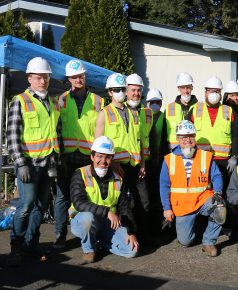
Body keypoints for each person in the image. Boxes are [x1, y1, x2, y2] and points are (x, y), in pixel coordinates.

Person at [7, 57, 62, 265]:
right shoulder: (20, 101)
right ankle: (16, 246)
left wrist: (56, 158)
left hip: (48, 163)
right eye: (39, 77)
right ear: (29, 78)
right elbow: (12, 135)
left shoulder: (54, 103)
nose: (43, 81)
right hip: (28, 163)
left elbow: (56, 133)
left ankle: (31, 243)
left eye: (46, 77)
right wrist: (20, 163)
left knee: (40, 204)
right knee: (26, 204)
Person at [53, 59, 104, 249]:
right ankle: (59, 235)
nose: (78, 79)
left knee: (89, 195)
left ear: (85, 76)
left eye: (80, 76)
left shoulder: (98, 101)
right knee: (62, 196)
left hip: (87, 157)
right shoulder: (61, 100)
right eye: (74, 77)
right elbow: (56, 129)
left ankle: (92, 235)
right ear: (69, 79)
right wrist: (57, 155)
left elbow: (101, 130)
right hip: (66, 156)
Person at [95, 73, 151, 244]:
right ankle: (126, 235)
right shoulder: (104, 114)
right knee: (124, 204)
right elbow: (98, 146)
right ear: (110, 92)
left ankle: (144, 236)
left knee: (144, 202)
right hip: (116, 168)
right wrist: (112, 165)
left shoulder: (134, 113)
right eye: (116, 90)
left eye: (122, 89)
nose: (120, 92)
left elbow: (139, 140)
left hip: (135, 166)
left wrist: (142, 162)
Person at [159, 120, 224, 257]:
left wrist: (218, 192)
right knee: (185, 241)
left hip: (203, 200)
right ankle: (198, 227)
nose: (188, 140)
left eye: (191, 136)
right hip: (182, 206)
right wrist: (166, 208)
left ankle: (208, 242)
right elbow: (164, 185)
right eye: (183, 137)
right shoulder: (169, 159)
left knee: (220, 208)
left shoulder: (205, 156)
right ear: (177, 139)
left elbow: (217, 175)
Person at [70, 136, 139, 264]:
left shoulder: (118, 179)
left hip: (108, 224)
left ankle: (99, 242)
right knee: (87, 219)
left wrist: (131, 231)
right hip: (83, 221)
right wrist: (107, 212)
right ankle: (89, 249)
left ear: (112, 159)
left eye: (108, 157)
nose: (103, 161)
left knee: (131, 250)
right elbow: (79, 203)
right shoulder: (80, 174)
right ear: (92, 156)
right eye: (99, 156)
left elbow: (125, 208)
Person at [187, 76, 238, 187]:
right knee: (204, 191)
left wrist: (234, 157)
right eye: (211, 91)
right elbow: (187, 134)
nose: (214, 94)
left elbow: (237, 135)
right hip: (201, 160)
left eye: (217, 91)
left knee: (223, 191)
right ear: (205, 92)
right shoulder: (195, 109)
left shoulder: (228, 110)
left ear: (221, 94)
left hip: (224, 162)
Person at [144, 89, 168, 232]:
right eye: (151, 102)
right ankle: (149, 225)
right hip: (145, 161)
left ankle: (160, 225)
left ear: (161, 102)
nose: (154, 105)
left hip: (160, 161)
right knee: (147, 193)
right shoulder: (142, 116)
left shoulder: (166, 118)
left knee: (160, 192)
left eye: (157, 102)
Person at [165, 73, 198, 152]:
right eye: (183, 88)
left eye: (188, 87)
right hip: (174, 151)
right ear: (178, 89)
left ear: (192, 88)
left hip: (194, 151)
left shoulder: (200, 108)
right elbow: (164, 133)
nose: (186, 91)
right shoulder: (169, 108)